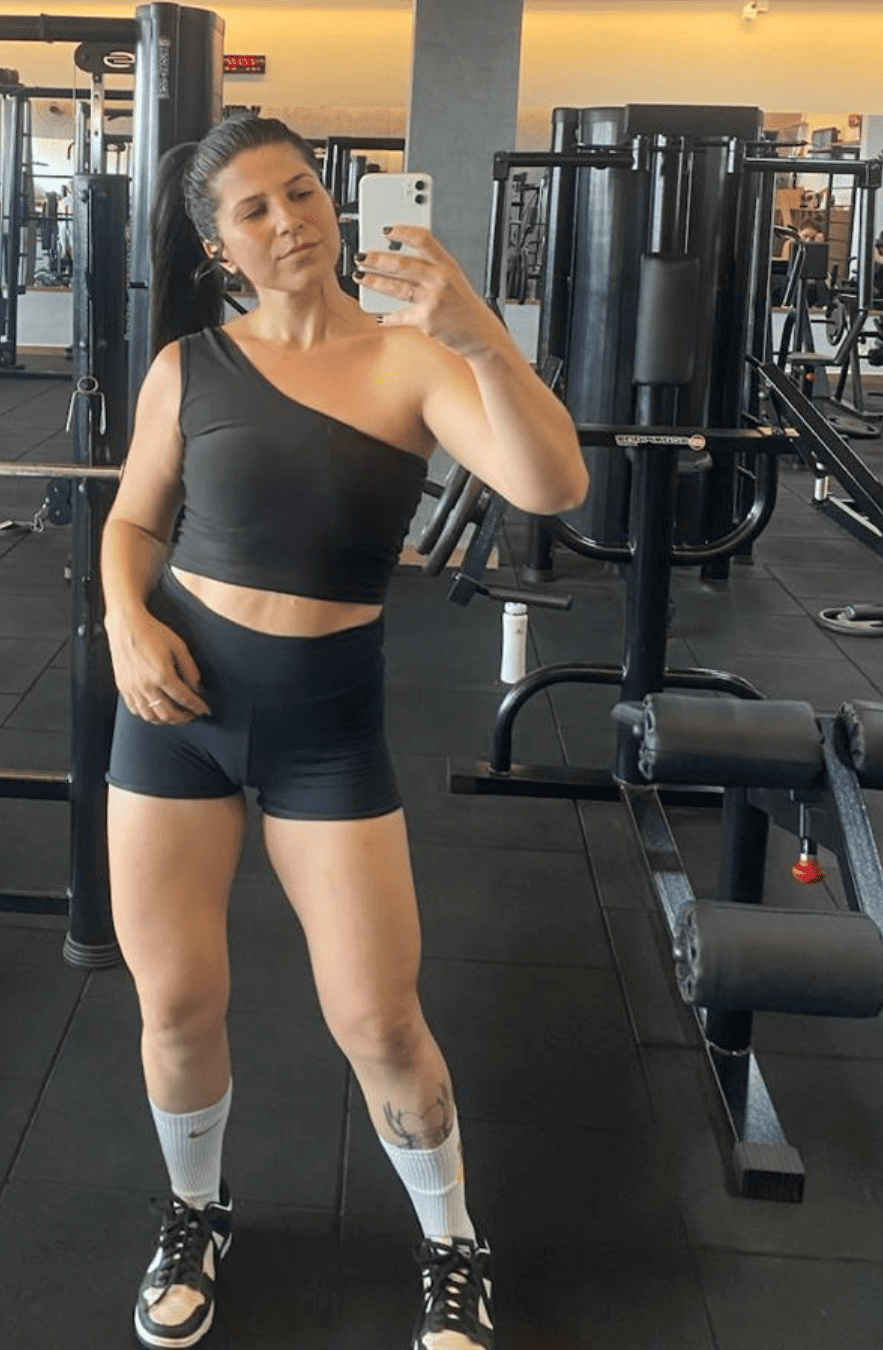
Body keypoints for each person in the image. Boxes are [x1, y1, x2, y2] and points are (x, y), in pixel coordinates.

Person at [100, 114, 588, 1350]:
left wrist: (478, 333)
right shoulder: (189, 366)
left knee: (378, 1019)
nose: (290, 222)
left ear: (334, 201)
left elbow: (554, 485)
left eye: (303, 192)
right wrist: (123, 620)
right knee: (178, 1002)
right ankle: (195, 1212)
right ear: (221, 249)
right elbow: (136, 523)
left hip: (325, 725)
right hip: (177, 713)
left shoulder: (408, 362)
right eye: (255, 210)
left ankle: (452, 1241)